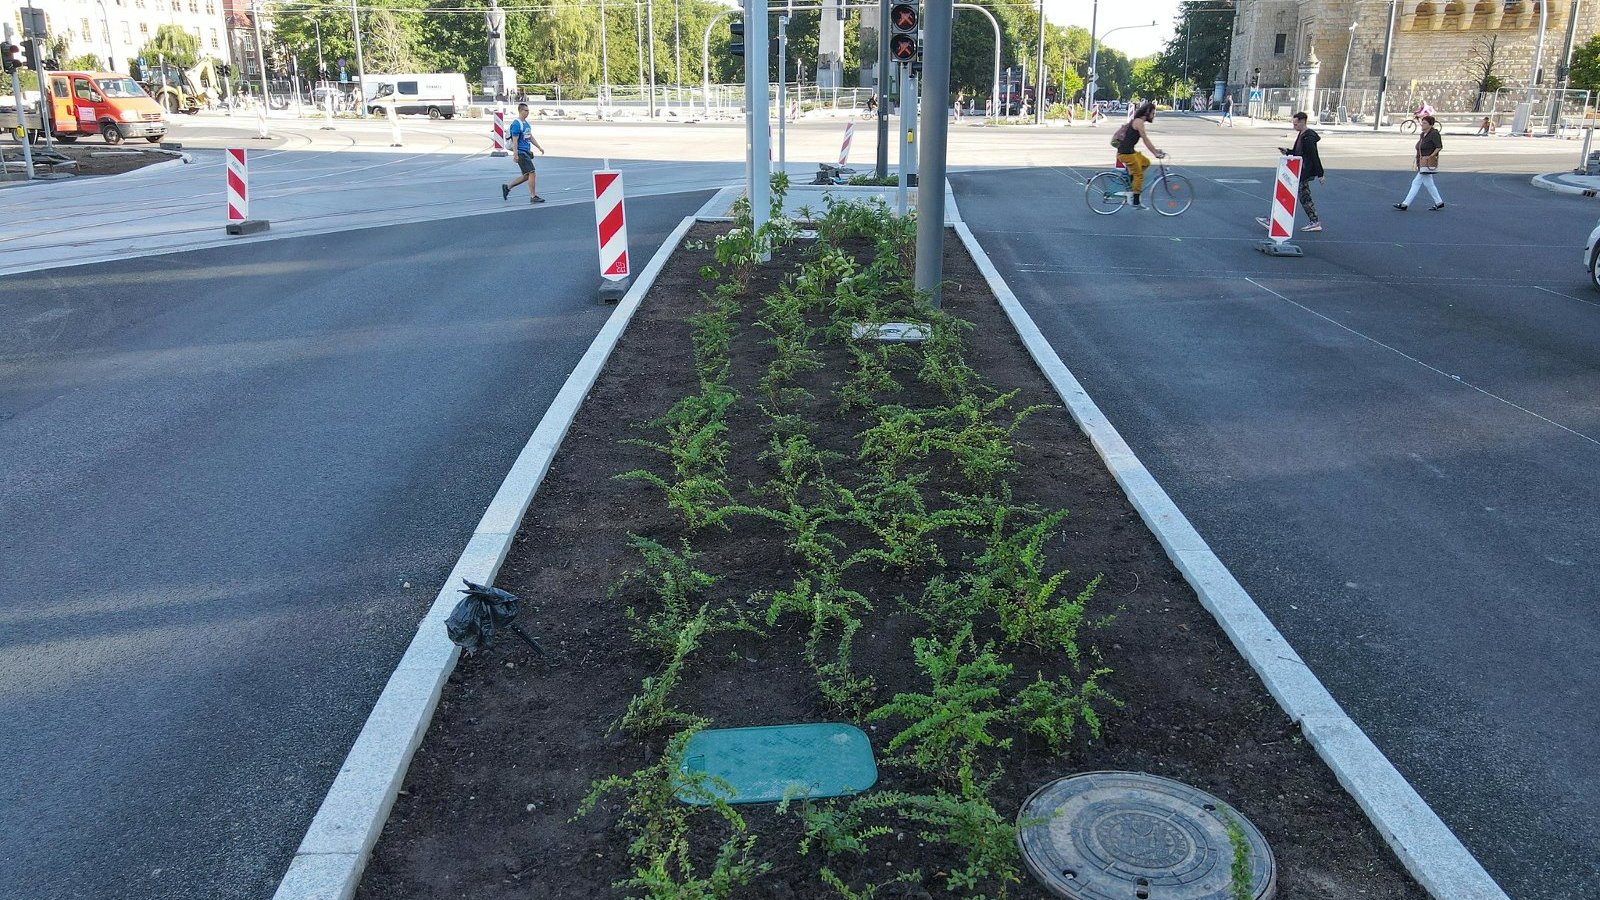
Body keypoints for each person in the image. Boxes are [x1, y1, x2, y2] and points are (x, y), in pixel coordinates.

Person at [1260, 111, 1325, 232]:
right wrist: (1288, 152)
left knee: (1287, 196)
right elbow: (1298, 152)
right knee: (1302, 197)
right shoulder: (1302, 134)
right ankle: (1314, 221)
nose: (1294, 126)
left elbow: (1314, 156)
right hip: (1299, 170)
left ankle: (1274, 221)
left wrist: (1320, 174)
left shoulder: (1308, 137)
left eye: (1295, 124)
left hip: (1303, 171)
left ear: (1302, 122)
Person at [1114, 100, 1165, 210]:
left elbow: (1146, 140)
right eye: (1153, 113)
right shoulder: (1139, 122)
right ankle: (1136, 202)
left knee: (1145, 162)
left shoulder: (1137, 121)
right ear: (1147, 113)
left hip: (1128, 152)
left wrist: (1156, 150)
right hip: (1126, 153)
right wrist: (1155, 152)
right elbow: (1145, 140)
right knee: (1139, 175)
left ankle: (1131, 182)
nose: (1154, 116)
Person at [1395, 114, 1444, 211]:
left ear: (1430, 125)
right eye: (1422, 123)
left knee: (1416, 183)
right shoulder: (1423, 134)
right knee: (1429, 184)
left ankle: (1405, 204)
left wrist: (1431, 156)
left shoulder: (1434, 134)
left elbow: (1439, 146)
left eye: (1425, 123)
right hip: (1421, 161)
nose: (1422, 125)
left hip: (1426, 162)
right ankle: (1439, 202)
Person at [500, 102, 546, 203]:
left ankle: (507, 187)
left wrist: (539, 147)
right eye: (526, 110)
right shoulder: (517, 124)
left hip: (526, 151)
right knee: (532, 173)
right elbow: (515, 141)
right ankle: (533, 196)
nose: (528, 112)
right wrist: (515, 154)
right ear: (520, 111)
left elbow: (530, 137)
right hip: (521, 152)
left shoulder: (526, 124)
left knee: (526, 175)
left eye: (528, 110)